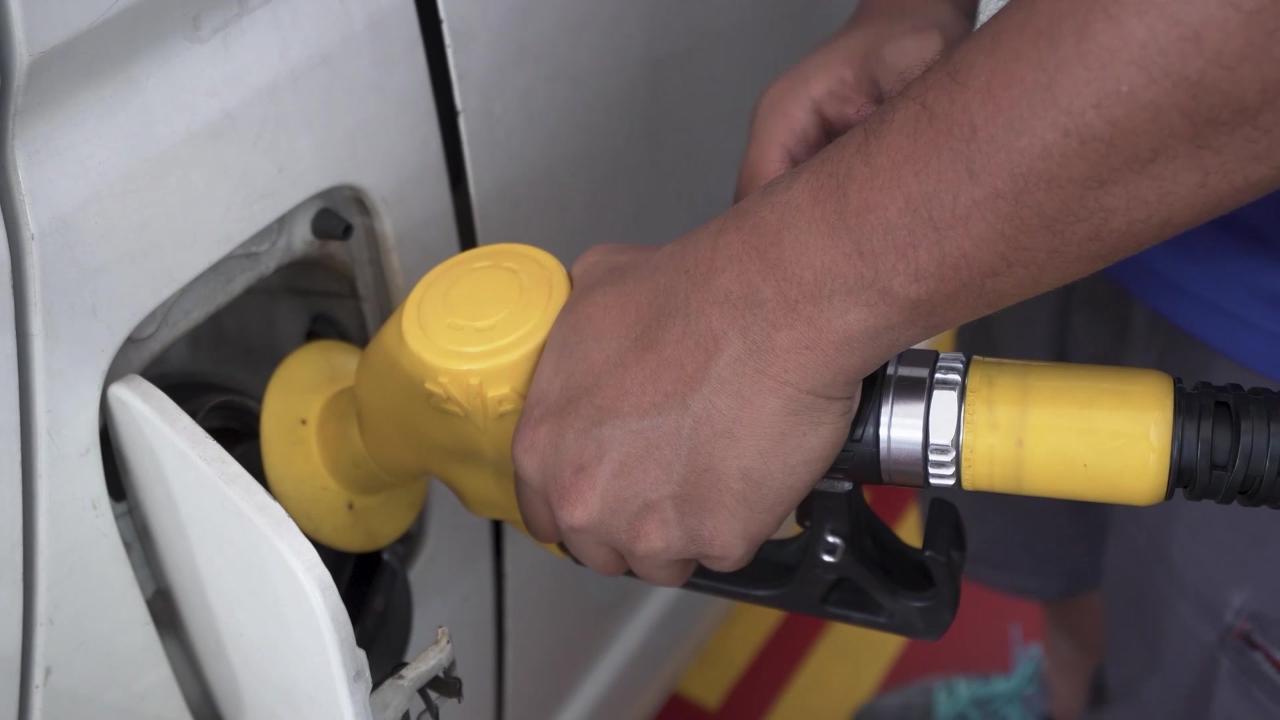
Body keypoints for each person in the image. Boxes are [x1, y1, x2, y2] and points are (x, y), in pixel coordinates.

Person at [511, 0, 1280, 717]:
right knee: (1068, 566)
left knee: (1193, 668)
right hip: (1041, 168)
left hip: (1257, 326)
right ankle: (1065, 694)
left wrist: (773, 304)